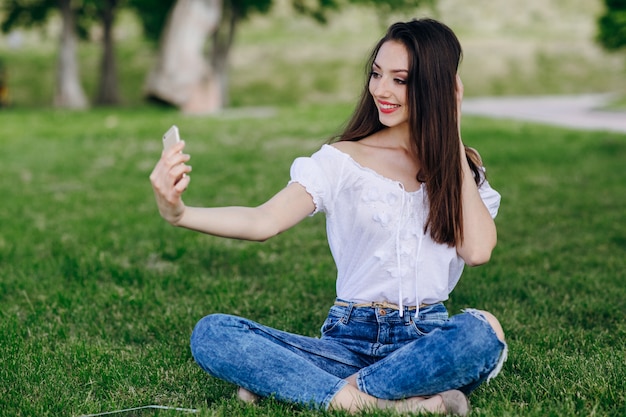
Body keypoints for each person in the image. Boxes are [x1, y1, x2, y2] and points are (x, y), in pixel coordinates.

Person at [150, 18, 507, 416]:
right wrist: (179, 213)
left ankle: (312, 389)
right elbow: (263, 221)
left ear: (436, 88)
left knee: (483, 331)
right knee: (213, 333)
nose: (381, 90)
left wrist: (452, 133)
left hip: (424, 340)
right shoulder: (343, 160)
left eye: (400, 80)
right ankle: (386, 404)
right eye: (376, 74)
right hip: (346, 343)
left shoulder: (462, 170)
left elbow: (477, 250)